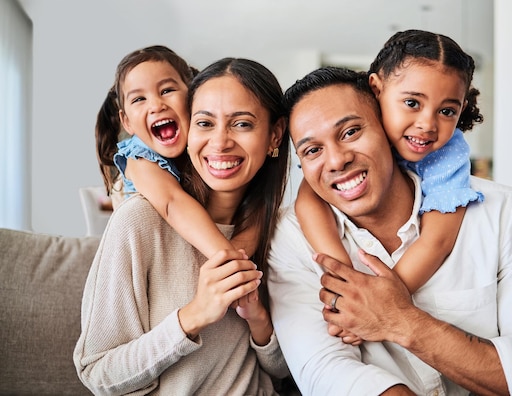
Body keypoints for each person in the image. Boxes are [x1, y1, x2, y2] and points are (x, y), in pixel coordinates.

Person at [267, 31, 512, 395]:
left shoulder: (501, 211)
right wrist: (345, 287)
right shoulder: (292, 236)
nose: (337, 159)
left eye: (352, 131)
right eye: (311, 151)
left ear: (377, 113)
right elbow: (326, 372)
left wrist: (401, 319)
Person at [74, 57, 292, 395]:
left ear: (274, 135)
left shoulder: (280, 230)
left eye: (243, 124)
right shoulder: (139, 221)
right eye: (205, 123)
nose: (220, 142)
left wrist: (259, 319)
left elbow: (281, 370)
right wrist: (192, 317)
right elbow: (98, 374)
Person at [294, 30, 484, 325]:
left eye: (447, 111)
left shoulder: (447, 155)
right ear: (377, 90)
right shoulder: (354, 137)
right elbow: (308, 201)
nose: (427, 125)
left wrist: (376, 307)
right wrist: (344, 276)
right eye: (412, 103)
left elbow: (436, 242)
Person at [94, 45, 258, 264]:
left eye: (166, 91)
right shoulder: (139, 158)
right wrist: (230, 260)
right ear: (127, 122)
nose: (156, 105)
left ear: (193, 97)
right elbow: (172, 203)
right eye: (139, 99)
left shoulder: (202, 148)